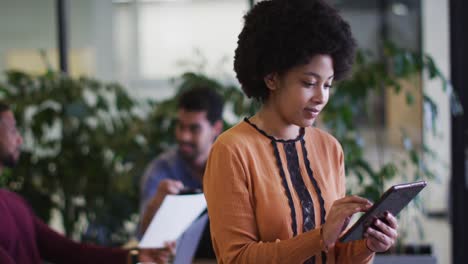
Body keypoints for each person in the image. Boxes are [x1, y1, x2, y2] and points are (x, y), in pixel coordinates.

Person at [203, 0, 399, 263]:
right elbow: (237, 258)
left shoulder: (329, 148)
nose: (321, 97)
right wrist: (320, 237)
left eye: (327, 85)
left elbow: (336, 255)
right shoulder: (232, 150)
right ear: (271, 78)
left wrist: (367, 245)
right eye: (309, 83)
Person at [0, 101, 172, 264]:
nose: (20, 139)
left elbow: (67, 251)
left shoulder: (13, 202)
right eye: (13, 130)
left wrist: (135, 257)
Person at [138, 86, 223, 256]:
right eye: (180, 126)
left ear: (216, 128)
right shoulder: (161, 169)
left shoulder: (233, 165)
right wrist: (157, 203)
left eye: (194, 129)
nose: (184, 136)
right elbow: (144, 237)